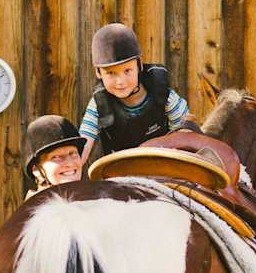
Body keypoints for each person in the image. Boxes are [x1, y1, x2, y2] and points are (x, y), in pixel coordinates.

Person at [79, 22, 193, 165]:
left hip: (165, 168)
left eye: (127, 71)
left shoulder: (165, 96)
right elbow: (83, 146)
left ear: (139, 65)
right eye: (110, 73)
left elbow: (186, 135)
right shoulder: (99, 105)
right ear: (98, 73)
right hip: (122, 174)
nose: (120, 81)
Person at [23, 114, 86, 199]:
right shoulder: (33, 211)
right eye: (56, 157)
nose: (70, 163)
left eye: (73, 153)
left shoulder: (92, 203)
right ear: (37, 170)